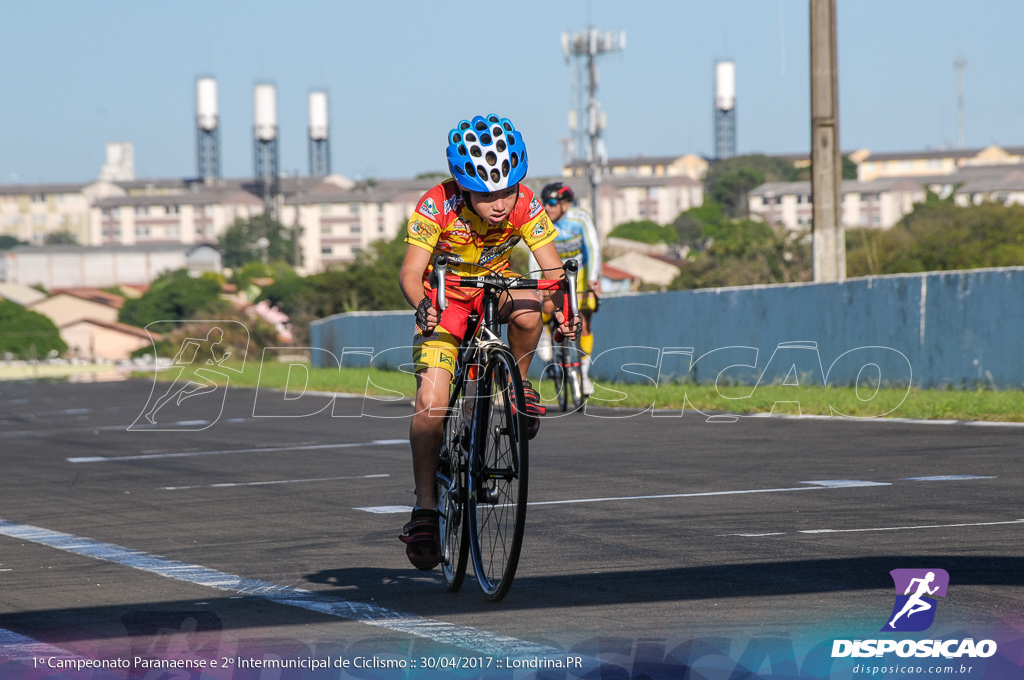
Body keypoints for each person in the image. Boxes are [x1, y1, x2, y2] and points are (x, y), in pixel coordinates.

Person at [396, 114, 577, 570]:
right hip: (447, 300)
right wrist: (422, 304)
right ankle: (425, 507)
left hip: (495, 291)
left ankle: (516, 386)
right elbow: (410, 273)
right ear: (463, 186)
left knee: (532, 305)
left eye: (506, 191)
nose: (499, 205)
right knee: (430, 404)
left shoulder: (526, 203)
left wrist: (565, 314)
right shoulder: (436, 204)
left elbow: (552, 272)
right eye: (485, 194)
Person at [538, 181, 602, 395]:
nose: (547, 208)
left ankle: (583, 374)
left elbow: (592, 247)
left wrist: (593, 278)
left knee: (584, 322)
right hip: (552, 270)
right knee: (547, 306)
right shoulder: (542, 221)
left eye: (552, 203)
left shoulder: (580, 218)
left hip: (580, 273)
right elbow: (534, 253)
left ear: (565, 204)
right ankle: (546, 333)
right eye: (544, 203)